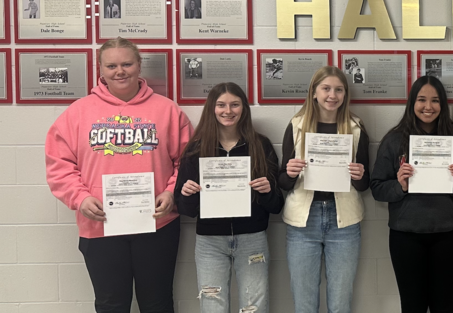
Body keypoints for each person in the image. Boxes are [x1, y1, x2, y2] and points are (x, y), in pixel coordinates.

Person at [45, 37, 192, 313]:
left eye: (127, 64)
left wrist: (171, 192)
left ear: (139, 65)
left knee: (158, 303)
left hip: (157, 224)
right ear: (100, 69)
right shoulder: (78, 112)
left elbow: (186, 161)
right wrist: (80, 198)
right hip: (100, 225)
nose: (120, 71)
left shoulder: (167, 110)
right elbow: (59, 164)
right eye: (111, 66)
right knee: (111, 304)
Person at [370, 76, 453, 313]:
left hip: (449, 235)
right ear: (412, 102)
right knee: (412, 307)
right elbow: (377, 188)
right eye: (422, 99)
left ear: (443, 104)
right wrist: (400, 186)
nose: (428, 106)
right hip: (405, 236)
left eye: (435, 100)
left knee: (444, 306)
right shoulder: (394, 140)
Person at [174, 82, 283, 313]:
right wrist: (187, 193)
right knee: (212, 306)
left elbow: (277, 206)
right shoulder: (196, 149)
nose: (228, 111)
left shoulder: (261, 145)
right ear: (211, 109)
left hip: (252, 238)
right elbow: (186, 210)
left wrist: (267, 191)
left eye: (235, 104)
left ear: (244, 108)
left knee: (254, 307)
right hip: (210, 242)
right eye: (221, 105)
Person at [279, 66, 370, 313]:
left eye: (339, 90)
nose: (332, 95)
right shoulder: (297, 126)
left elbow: (365, 184)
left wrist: (359, 176)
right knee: (304, 302)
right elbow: (283, 182)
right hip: (303, 221)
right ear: (314, 92)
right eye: (326, 88)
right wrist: (290, 172)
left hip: (344, 221)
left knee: (340, 302)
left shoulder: (355, 127)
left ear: (345, 94)